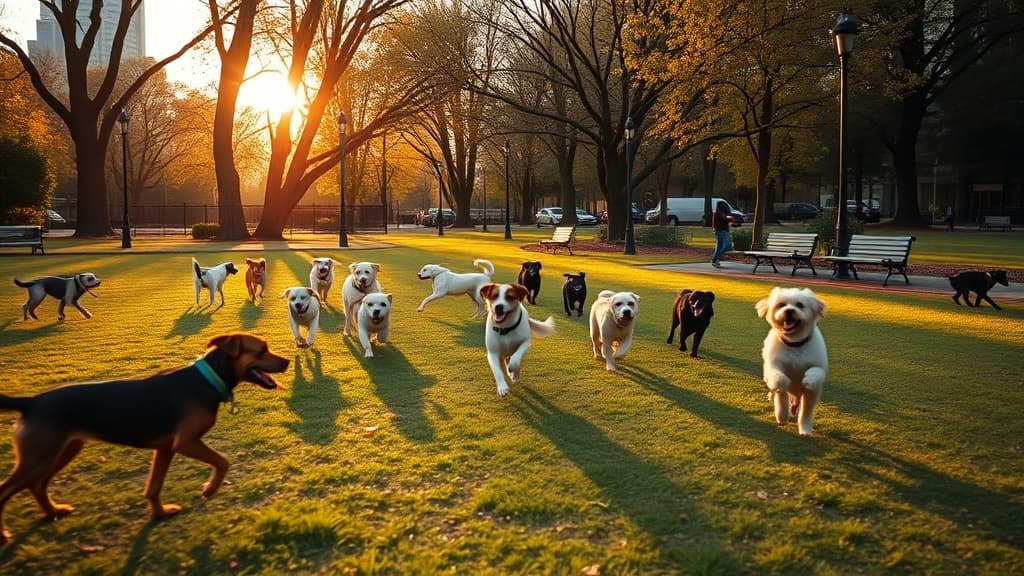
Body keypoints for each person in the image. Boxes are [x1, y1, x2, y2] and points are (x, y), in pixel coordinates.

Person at [710, 200, 734, 268]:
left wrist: (731, 220)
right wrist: (729, 218)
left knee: (725, 246)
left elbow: (728, 219)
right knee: (723, 246)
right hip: (719, 231)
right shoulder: (718, 213)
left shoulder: (723, 212)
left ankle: (715, 258)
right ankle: (715, 259)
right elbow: (725, 218)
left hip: (724, 231)